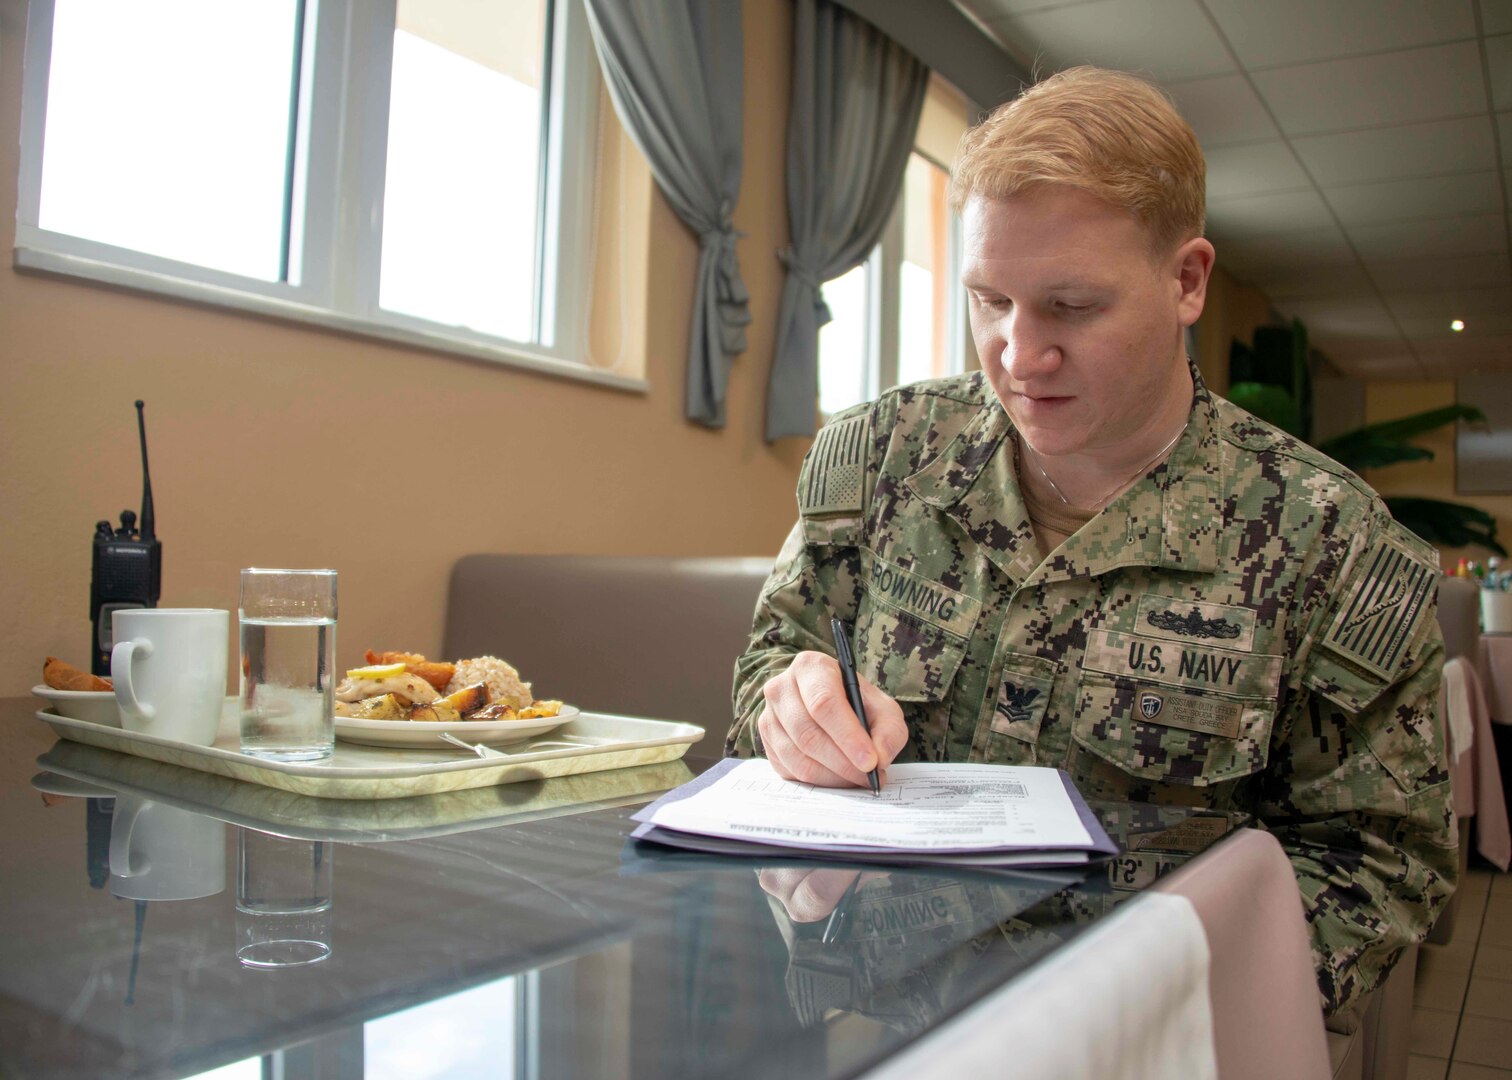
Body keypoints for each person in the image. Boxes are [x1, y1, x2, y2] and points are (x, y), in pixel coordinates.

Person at [726, 66, 1455, 1019]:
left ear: (1187, 280)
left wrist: (1158, 1002)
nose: (1021, 357)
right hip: (876, 1018)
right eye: (990, 300)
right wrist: (792, 714)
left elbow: (1382, 863)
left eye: (1073, 307)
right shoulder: (880, 462)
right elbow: (770, 672)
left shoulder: (1332, 544)